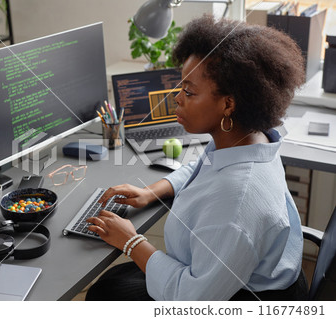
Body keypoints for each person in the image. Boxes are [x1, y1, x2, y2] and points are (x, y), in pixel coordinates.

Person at [85, 15, 308, 301]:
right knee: (111, 284)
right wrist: (150, 191)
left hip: (238, 297)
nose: (177, 98)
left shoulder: (236, 201)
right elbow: (202, 168)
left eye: (189, 91)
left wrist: (131, 241)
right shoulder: (250, 139)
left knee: (105, 294)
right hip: (228, 274)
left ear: (228, 104)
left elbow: (192, 300)